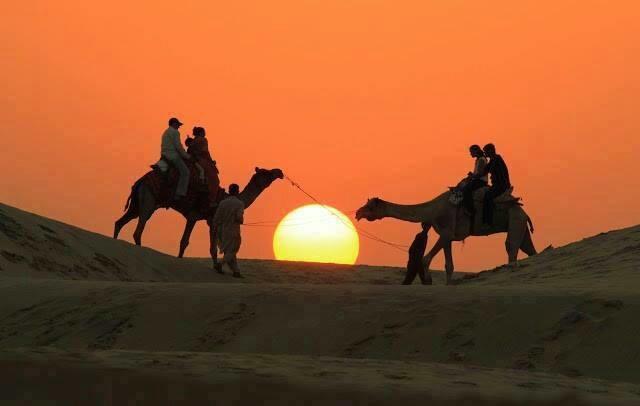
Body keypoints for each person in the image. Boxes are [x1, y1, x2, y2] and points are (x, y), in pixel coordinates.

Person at [212, 184, 245, 278]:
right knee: (233, 250)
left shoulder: (222, 203)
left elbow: (216, 218)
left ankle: (236, 272)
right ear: (237, 191)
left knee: (229, 252)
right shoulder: (239, 204)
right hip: (233, 230)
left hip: (222, 231)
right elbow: (239, 217)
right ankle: (219, 264)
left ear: (229, 191)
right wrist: (241, 220)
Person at [158, 117, 191, 201]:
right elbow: (178, 147)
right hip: (173, 156)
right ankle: (180, 193)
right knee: (186, 172)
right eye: (178, 125)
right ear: (174, 124)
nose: (179, 127)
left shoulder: (165, 132)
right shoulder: (175, 132)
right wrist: (187, 156)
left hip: (164, 155)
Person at [187, 126, 220, 208]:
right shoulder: (203, 140)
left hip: (195, 160)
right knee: (215, 181)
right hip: (202, 160)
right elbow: (205, 152)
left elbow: (190, 151)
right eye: (204, 132)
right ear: (201, 133)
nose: (205, 133)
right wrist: (211, 161)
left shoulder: (194, 141)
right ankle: (212, 201)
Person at [482, 143, 511, 226]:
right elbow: (485, 170)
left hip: (501, 185)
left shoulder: (496, 159)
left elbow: (487, 170)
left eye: (485, 152)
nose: (485, 153)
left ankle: (489, 220)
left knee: (487, 196)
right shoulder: (493, 160)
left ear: (490, 151)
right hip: (497, 185)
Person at [462, 144, 488, 216]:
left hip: (480, 181)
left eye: (471, 152)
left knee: (466, 190)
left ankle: (471, 210)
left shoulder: (482, 160)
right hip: (477, 180)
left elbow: (480, 174)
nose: (470, 154)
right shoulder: (479, 159)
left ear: (475, 151)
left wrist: (472, 176)